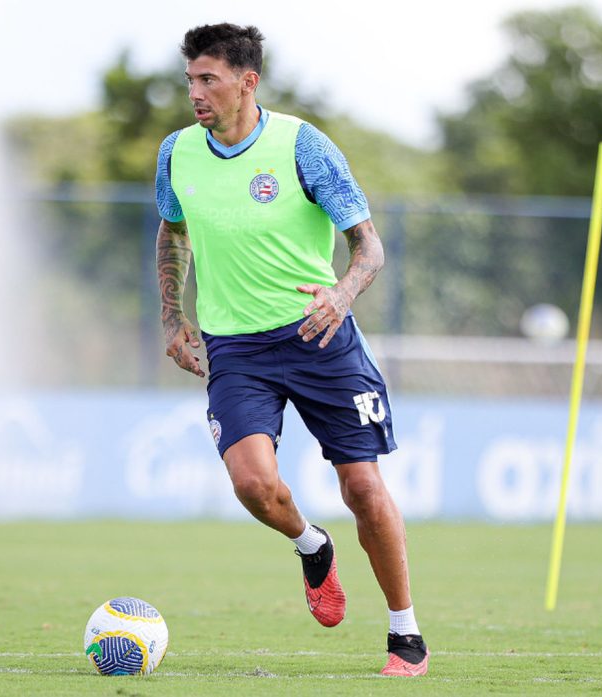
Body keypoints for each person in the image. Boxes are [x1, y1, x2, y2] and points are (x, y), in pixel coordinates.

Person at [154, 23, 428, 677]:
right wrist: (172, 315)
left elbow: (369, 245)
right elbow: (172, 230)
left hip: (320, 336)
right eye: (190, 79)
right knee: (252, 484)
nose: (195, 92)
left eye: (209, 79)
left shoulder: (303, 146)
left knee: (362, 486)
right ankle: (311, 545)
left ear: (247, 82)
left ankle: (405, 632)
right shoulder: (177, 153)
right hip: (235, 348)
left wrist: (343, 293)